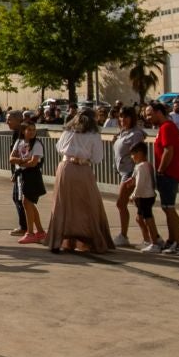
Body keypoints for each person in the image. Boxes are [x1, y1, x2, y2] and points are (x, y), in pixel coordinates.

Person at [46, 109, 114, 255]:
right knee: (88, 204)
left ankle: (58, 240)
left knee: (62, 203)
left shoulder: (69, 131)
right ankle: (92, 239)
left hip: (65, 168)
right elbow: (97, 158)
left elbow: (58, 148)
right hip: (83, 168)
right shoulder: (94, 134)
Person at [145, 101, 179, 253]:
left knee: (170, 209)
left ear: (159, 112)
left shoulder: (167, 128)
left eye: (150, 114)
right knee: (166, 208)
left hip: (169, 174)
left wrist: (161, 170)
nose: (148, 118)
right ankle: (172, 240)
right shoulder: (163, 128)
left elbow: (168, 150)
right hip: (167, 174)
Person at [111, 106, 145, 248]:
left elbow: (139, 155)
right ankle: (148, 236)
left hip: (131, 172)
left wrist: (135, 175)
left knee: (122, 203)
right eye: (121, 116)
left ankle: (125, 235)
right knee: (137, 205)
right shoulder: (123, 132)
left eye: (126, 117)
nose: (123, 119)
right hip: (123, 171)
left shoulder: (136, 134)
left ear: (132, 118)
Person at [11, 118, 47, 244]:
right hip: (22, 175)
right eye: (29, 130)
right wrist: (23, 161)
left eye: (34, 130)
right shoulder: (19, 142)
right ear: (23, 131)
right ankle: (40, 231)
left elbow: (33, 162)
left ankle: (30, 232)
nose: (32, 132)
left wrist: (20, 161)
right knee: (28, 203)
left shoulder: (36, 144)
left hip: (32, 176)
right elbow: (11, 158)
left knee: (27, 201)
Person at [128, 142, 160, 251]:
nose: (132, 157)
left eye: (133, 154)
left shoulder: (142, 167)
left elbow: (140, 184)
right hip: (146, 196)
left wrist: (133, 195)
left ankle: (154, 243)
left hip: (144, 196)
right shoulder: (146, 165)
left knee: (148, 219)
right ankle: (148, 240)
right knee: (139, 218)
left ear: (140, 153)